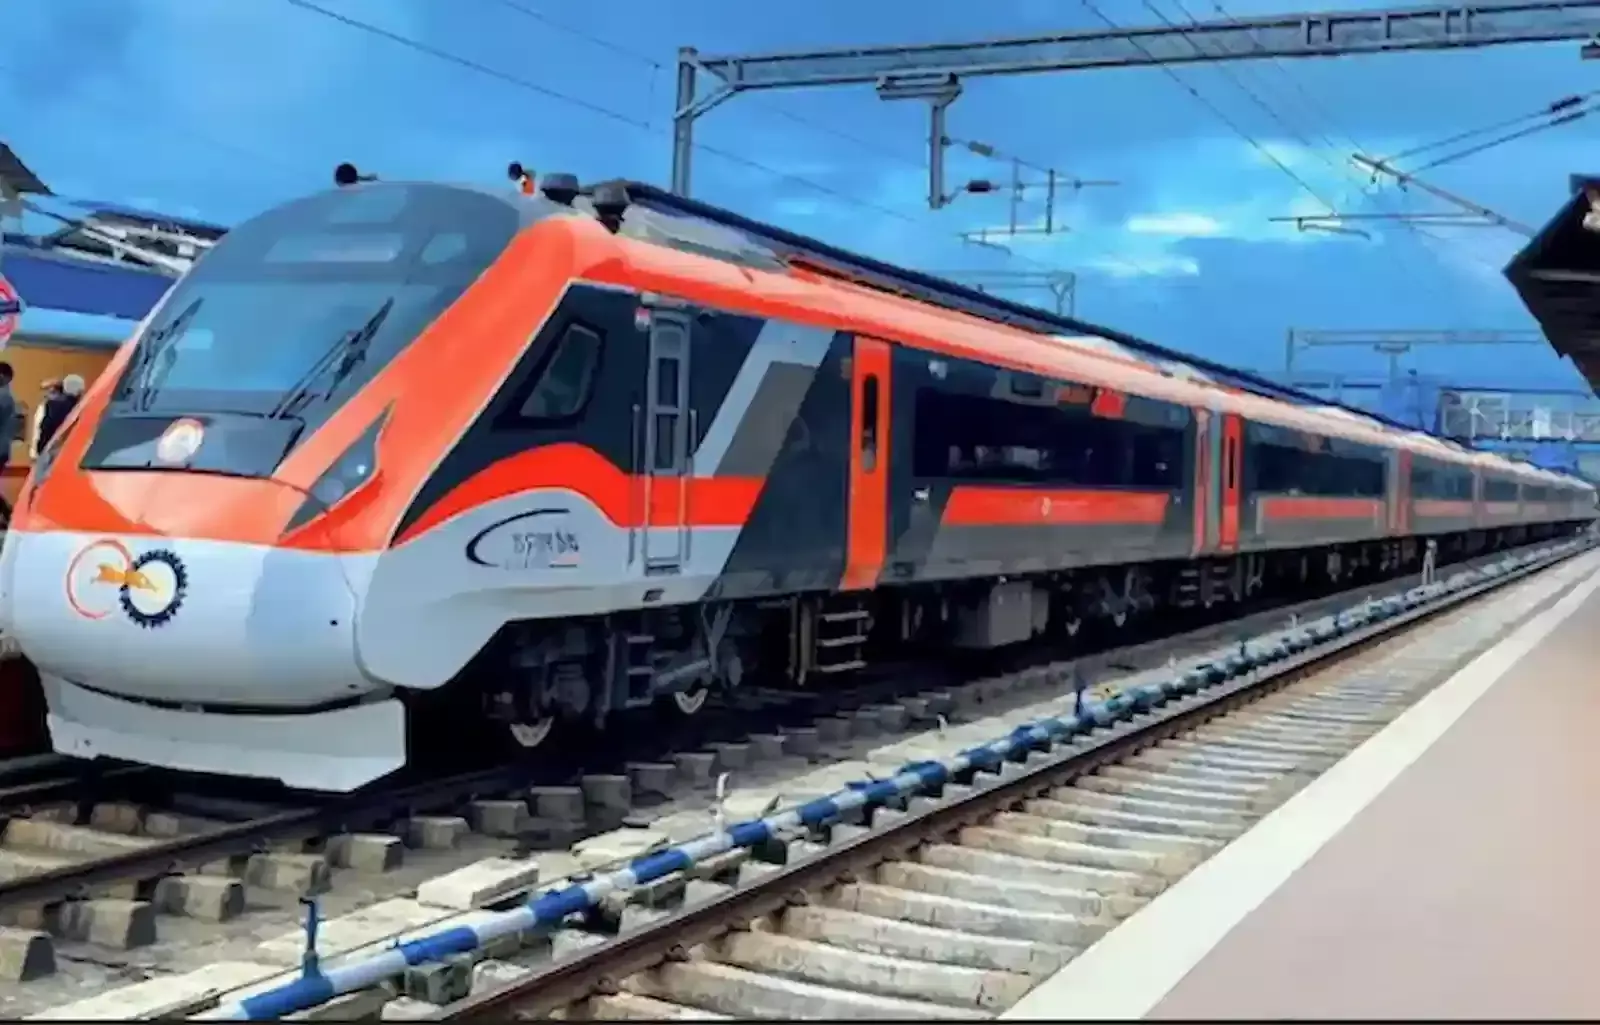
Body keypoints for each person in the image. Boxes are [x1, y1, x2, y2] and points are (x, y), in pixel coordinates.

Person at [36, 374, 82, 455]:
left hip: (53, 448)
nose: (46, 394)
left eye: (51, 391)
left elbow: (47, 426)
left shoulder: (56, 406)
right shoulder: (46, 406)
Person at [30, 379, 59, 460]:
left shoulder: (57, 409)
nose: (46, 393)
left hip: (52, 451)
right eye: (44, 390)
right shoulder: (41, 407)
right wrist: (33, 451)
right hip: (40, 451)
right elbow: (36, 430)